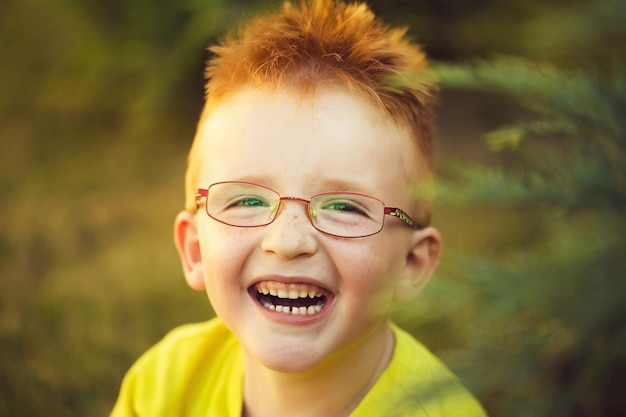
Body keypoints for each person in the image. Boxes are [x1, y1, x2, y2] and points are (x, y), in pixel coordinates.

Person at [111, 0, 487, 416]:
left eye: (345, 207)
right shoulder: (164, 385)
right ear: (195, 250)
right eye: (247, 200)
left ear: (412, 264)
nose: (288, 242)